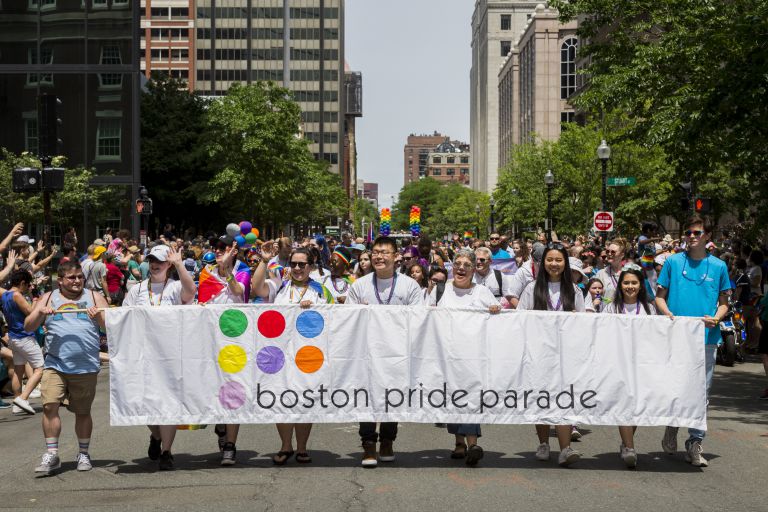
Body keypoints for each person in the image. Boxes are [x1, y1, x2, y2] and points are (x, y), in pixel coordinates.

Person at [655, 216, 730, 468]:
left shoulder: (719, 266)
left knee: (701, 392)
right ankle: (672, 425)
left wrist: (717, 318)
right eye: (688, 232)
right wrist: (667, 314)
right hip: (676, 337)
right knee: (675, 387)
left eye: (697, 232)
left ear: (707, 236)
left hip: (706, 339)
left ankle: (695, 442)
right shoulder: (673, 262)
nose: (692, 236)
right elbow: (659, 297)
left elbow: (724, 303)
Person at [251, 246, 334, 465]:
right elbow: (257, 288)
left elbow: (333, 320)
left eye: (302, 264)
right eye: (293, 264)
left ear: (311, 267)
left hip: (309, 354)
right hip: (280, 355)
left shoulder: (321, 291)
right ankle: (286, 446)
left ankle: (302, 447)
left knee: (305, 399)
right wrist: (264, 261)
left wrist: (312, 309)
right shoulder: (279, 286)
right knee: (282, 399)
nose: (297, 268)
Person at [347, 236, 425, 468]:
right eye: (376, 252)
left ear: (396, 256)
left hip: (397, 353)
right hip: (366, 353)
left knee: (393, 395)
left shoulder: (409, 286)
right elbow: (347, 319)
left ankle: (388, 441)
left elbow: (418, 318)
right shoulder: (359, 285)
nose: (379, 257)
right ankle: (368, 443)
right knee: (366, 397)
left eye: (385, 252)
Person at [24, 260, 108, 475]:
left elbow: (111, 325)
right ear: (60, 280)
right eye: (72, 277)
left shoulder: (94, 297)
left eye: (80, 277)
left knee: (83, 411)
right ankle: (52, 454)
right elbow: (28, 326)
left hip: (85, 366)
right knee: (49, 407)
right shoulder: (48, 297)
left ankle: (83, 453)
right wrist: (40, 313)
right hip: (55, 364)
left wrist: (98, 316)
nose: (77, 281)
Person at [122, 245, 196, 471]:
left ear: (168, 265)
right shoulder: (136, 290)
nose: (155, 265)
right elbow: (124, 317)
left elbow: (191, 291)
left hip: (169, 356)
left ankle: (167, 451)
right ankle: (156, 435)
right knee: (143, 403)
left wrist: (180, 264)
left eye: (160, 261)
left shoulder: (175, 286)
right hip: (142, 356)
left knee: (168, 404)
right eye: (152, 260)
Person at [516, 243, 587, 467]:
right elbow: (519, 318)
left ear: (565, 263)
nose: (554, 264)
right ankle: (544, 443)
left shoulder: (574, 290)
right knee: (541, 398)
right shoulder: (531, 288)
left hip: (566, 355)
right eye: (549, 260)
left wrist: (575, 319)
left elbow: (584, 322)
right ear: (542, 262)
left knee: (564, 398)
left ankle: (565, 448)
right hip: (539, 354)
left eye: (558, 260)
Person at [429, 249, 500, 466]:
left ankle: (472, 444)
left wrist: (495, 310)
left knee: (470, 398)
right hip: (446, 356)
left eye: (467, 265)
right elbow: (426, 317)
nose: (461, 268)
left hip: (473, 358)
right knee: (452, 397)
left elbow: (497, 319)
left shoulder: (482, 292)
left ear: (473, 269)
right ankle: (459, 443)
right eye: (457, 264)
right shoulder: (440, 290)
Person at [198, 236, 251, 465]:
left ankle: (230, 444)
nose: (218, 251)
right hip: (211, 340)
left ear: (234, 251)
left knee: (233, 390)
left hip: (235, 339)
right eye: (216, 248)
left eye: (223, 248)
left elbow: (238, 290)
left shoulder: (243, 270)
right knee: (213, 388)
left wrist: (226, 269)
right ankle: (221, 424)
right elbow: (201, 301)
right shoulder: (206, 273)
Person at [602, 263, 657, 468]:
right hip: (619, 364)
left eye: (634, 283)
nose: (630, 287)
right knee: (625, 404)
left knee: (638, 408)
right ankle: (629, 448)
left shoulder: (649, 309)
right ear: (620, 285)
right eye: (626, 283)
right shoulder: (611, 308)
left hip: (642, 365)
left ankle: (626, 442)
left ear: (641, 285)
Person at [0, 270, 42, 415]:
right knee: (40, 368)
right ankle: (23, 399)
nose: (28, 287)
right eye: (28, 285)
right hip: (24, 337)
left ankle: (17, 403)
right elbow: (31, 313)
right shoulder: (17, 295)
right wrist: (35, 299)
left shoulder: (5, 295)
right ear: (22, 283)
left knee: (19, 370)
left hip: (14, 337)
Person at [508, 242, 545, 308]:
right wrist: (523, 311)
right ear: (533, 260)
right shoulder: (523, 271)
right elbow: (511, 296)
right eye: (539, 264)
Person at [595, 238, 629, 304]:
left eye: (613, 252)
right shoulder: (601, 273)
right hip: (606, 309)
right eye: (607, 251)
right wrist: (602, 300)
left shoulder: (629, 273)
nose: (609, 254)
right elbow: (596, 294)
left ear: (622, 255)